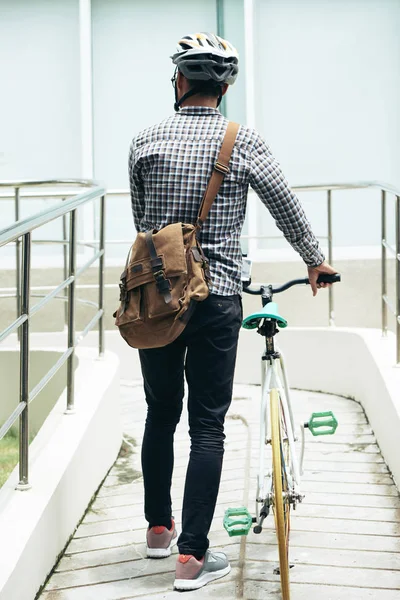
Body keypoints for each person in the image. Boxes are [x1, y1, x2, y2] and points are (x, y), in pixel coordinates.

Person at [128, 31, 336, 591]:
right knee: (207, 427)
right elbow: (285, 205)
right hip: (217, 297)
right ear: (226, 87)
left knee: (160, 412)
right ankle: (192, 558)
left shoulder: (144, 141)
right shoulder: (243, 141)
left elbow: (142, 224)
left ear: (178, 81)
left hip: (158, 301)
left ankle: (157, 531)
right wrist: (314, 261)